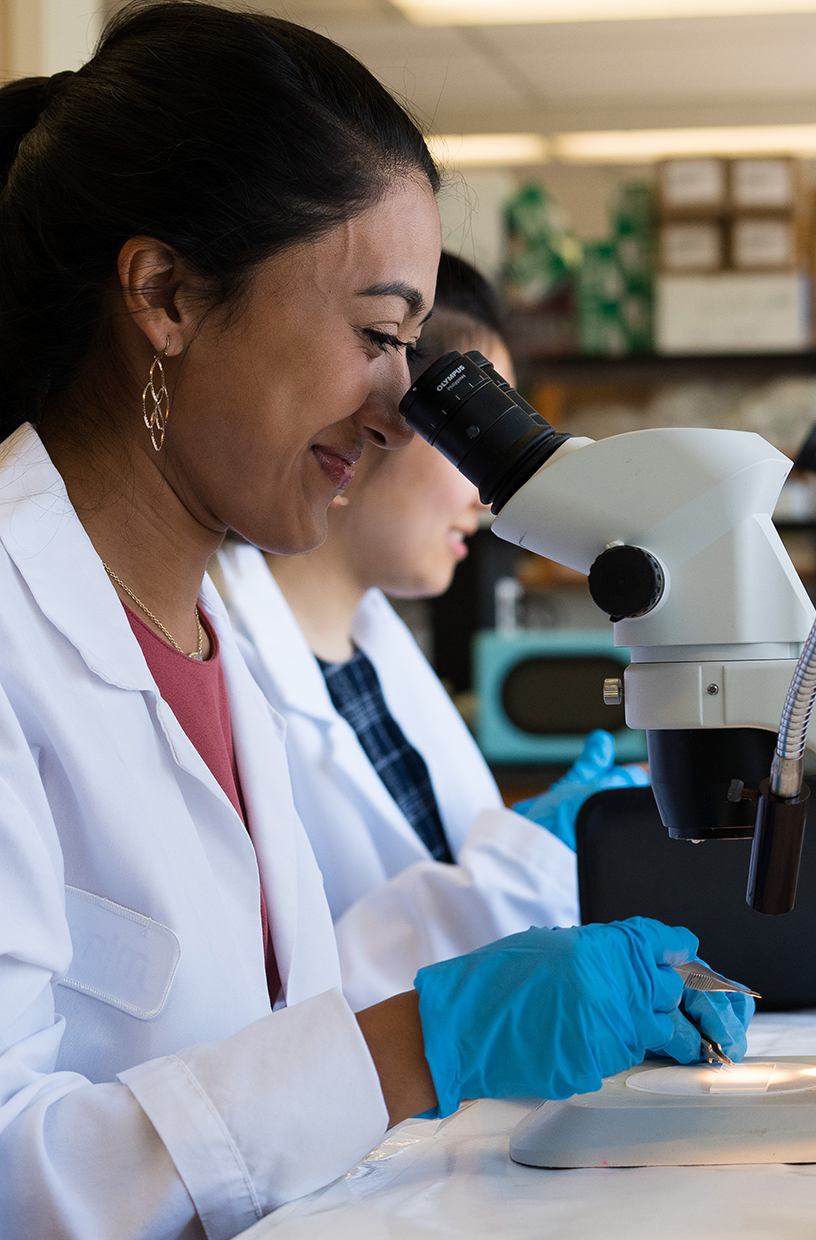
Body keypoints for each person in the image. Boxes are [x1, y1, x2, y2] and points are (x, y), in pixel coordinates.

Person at [0, 8, 746, 1239]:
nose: (399, 411)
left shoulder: (211, 638)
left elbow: (242, 1099)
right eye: (378, 335)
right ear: (164, 294)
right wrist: (417, 1045)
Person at [210, 252, 640, 1010]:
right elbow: (275, 1005)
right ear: (376, 417)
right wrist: (517, 867)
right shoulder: (223, 671)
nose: (487, 496)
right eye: (476, 442)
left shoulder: (376, 649)